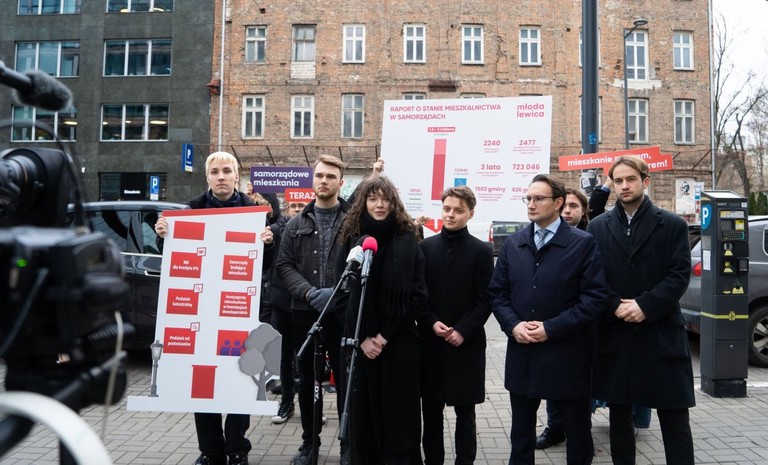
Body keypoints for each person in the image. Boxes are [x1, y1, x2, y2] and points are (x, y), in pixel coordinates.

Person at [155, 151, 273, 465]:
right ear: (207, 177)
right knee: (202, 382)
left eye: (227, 171)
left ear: (237, 176)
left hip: (240, 312)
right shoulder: (190, 211)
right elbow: (174, 257)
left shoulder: (254, 212)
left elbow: (267, 266)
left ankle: (237, 449)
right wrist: (164, 236)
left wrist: (268, 243)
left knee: (240, 378)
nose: (221, 176)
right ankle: (211, 451)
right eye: (215, 171)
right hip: (200, 314)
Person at [489, 174, 609, 465]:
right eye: (528, 198)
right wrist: (513, 325)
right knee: (521, 437)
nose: (531, 204)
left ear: (557, 203)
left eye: (538, 198)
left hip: (567, 355)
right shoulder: (514, 243)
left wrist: (550, 328)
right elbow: (497, 294)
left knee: (577, 435)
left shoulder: (582, 243)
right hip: (524, 353)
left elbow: (594, 299)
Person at [587, 156, 695, 465]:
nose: (624, 186)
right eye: (618, 181)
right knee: (619, 418)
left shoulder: (672, 225)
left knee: (674, 418)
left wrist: (645, 305)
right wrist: (616, 306)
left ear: (645, 181)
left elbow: (678, 275)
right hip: (616, 333)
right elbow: (593, 277)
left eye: (630, 179)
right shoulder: (598, 227)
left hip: (661, 333)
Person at [336, 176, 427, 465]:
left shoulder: (408, 238)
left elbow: (418, 297)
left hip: (398, 344)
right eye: (373, 198)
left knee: (400, 422)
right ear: (363, 202)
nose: (379, 204)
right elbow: (339, 294)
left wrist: (383, 336)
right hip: (361, 346)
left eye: (385, 199)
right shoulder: (352, 238)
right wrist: (363, 338)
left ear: (394, 203)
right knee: (364, 422)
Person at [277, 155, 350, 465]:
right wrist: (309, 292)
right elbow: (284, 265)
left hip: (343, 312)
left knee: (346, 380)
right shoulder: (296, 223)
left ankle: (348, 445)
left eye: (330, 176)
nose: (324, 181)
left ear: (340, 182)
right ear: (313, 179)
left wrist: (338, 293)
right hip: (305, 312)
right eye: (319, 175)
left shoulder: (353, 221)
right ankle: (309, 443)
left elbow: (363, 265)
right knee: (308, 381)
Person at [419, 186, 494, 465]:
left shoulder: (482, 251)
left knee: (466, 413)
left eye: (458, 210)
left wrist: (463, 330)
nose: (451, 214)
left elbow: (486, 298)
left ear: (470, 214)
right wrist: (430, 322)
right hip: (432, 343)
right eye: (447, 209)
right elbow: (419, 295)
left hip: (467, 345)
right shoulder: (425, 248)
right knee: (431, 412)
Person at [534, 187, 591, 450]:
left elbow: (592, 294)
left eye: (574, 206)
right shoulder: (536, 238)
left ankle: (579, 434)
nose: (567, 211)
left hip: (576, 331)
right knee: (553, 389)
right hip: (546, 331)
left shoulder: (587, 239)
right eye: (565, 206)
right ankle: (555, 428)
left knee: (577, 395)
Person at [262, 197, 306, 425]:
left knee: (308, 358)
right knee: (285, 358)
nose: (297, 209)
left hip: (306, 305)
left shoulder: (312, 229)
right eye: (293, 206)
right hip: (282, 305)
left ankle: (312, 404)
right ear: (287, 209)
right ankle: (287, 401)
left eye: (301, 206)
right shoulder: (277, 231)